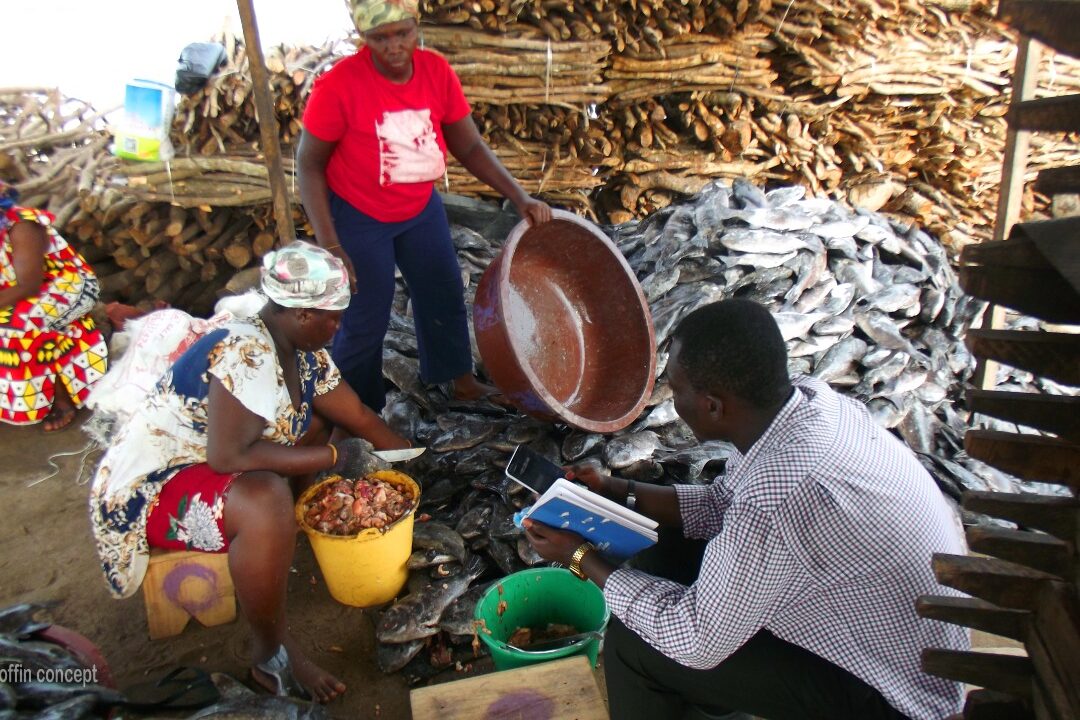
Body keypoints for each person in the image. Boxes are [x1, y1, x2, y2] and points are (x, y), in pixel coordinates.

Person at [524, 299, 969, 720]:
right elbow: (723, 502)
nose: (673, 402)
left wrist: (580, 559)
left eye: (676, 390)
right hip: (903, 638)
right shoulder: (812, 406)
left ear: (712, 405)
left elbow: (696, 640)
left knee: (631, 641)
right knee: (663, 548)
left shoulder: (776, 501)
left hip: (897, 696)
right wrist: (617, 489)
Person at [89, 242, 410, 703]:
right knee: (265, 499)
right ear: (300, 314)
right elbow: (228, 458)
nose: (338, 327)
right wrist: (337, 460)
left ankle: (275, 545)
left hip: (211, 459)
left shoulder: (301, 348)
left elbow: (355, 414)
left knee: (319, 420)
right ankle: (270, 651)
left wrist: (410, 462)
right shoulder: (246, 351)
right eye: (332, 317)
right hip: (154, 485)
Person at [297, 0, 553, 414]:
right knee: (366, 316)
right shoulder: (339, 86)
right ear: (364, 38)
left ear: (417, 27)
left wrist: (519, 195)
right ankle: (352, 411)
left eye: (404, 33)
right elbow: (309, 166)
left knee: (443, 290)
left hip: (419, 208)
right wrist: (330, 244)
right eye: (381, 38)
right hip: (361, 214)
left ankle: (460, 382)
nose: (395, 46)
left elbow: (468, 144)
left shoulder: (435, 72)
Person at [0, 180, 108, 431]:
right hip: (16, 292)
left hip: (67, 286)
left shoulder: (22, 225)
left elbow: (29, 285)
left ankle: (60, 397)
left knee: (21, 325)